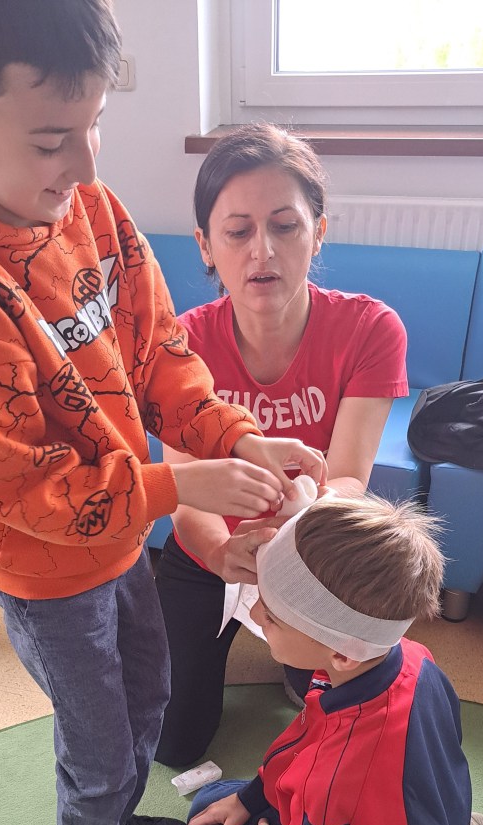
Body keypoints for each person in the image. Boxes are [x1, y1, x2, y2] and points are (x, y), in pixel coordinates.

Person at [0, 0, 326, 825]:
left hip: (121, 535)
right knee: (95, 747)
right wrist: (179, 485)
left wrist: (239, 438)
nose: (85, 164)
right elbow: (23, 489)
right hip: (45, 572)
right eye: (52, 139)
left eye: (95, 124)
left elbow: (161, 355)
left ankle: (114, 819)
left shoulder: (87, 206)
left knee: (148, 702)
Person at [134, 495, 483, 825]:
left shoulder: (338, 788)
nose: (254, 611)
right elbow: (310, 736)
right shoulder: (406, 657)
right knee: (212, 804)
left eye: (273, 616)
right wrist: (251, 799)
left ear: (342, 653)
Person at [154, 124, 409, 768]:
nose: (262, 251)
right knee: (174, 742)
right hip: (210, 548)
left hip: (314, 546)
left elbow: (347, 479)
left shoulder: (370, 328)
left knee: (336, 711)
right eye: (237, 232)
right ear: (206, 246)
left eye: (285, 226)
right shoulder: (182, 343)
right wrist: (222, 553)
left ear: (318, 231)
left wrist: (288, 539)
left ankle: (287, 654)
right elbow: (187, 495)